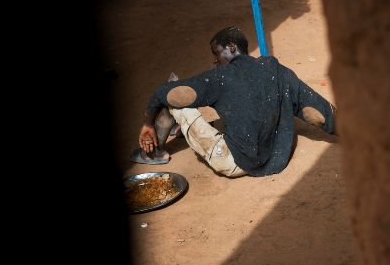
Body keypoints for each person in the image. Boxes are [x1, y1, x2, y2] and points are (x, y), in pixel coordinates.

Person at [130, 26, 337, 177]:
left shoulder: (222, 76)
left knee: (173, 98)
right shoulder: (277, 70)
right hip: (276, 158)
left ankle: (153, 153)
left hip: (234, 161)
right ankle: (178, 130)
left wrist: (148, 124)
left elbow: (162, 92)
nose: (215, 61)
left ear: (231, 47)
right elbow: (318, 113)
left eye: (216, 54)